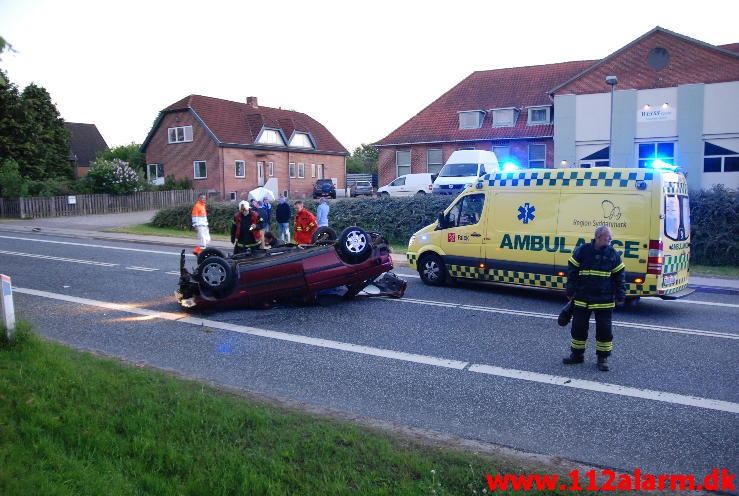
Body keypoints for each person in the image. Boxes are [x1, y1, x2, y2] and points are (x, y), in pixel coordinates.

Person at [563, 225, 626, 372]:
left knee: (604, 330)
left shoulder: (612, 254)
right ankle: (577, 355)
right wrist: (570, 289)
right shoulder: (583, 250)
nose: (610, 239)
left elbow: (620, 276)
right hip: (582, 297)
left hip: (604, 300)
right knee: (578, 328)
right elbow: (572, 270)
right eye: (607, 236)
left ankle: (602, 358)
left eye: (610, 237)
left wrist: (620, 295)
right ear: (598, 237)